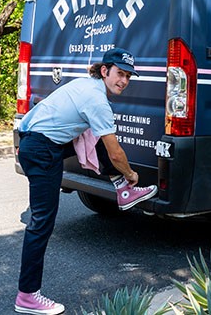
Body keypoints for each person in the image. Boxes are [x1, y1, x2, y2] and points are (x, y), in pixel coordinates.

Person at [14, 48, 157, 315]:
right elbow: (115, 153)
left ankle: (122, 191)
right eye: (119, 74)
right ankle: (27, 295)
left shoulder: (87, 85)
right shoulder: (97, 101)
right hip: (41, 149)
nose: (123, 81)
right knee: (41, 222)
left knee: (98, 133)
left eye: (128, 76)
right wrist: (130, 175)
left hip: (38, 142)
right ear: (105, 71)